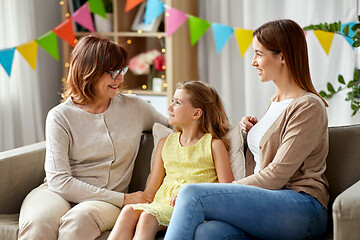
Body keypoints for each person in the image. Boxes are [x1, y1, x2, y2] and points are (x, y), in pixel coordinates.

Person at [164, 19, 329, 240]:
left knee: (192, 193)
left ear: (282, 56)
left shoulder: (308, 106)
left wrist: (225, 190)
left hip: (303, 207)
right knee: (206, 233)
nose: (253, 62)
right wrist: (250, 131)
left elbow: (277, 175)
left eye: (259, 54)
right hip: (268, 202)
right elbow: (270, 149)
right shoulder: (276, 101)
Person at [18, 35, 168, 240]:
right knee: (38, 224)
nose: (121, 79)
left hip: (105, 202)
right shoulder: (60, 116)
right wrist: (124, 198)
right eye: (114, 72)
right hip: (57, 194)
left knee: (79, 221)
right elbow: (59, 181)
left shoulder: (135, 107)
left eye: (122, 70)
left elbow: (178, 125)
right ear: (89, 72)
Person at [108, 81, 235, 240]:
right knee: (128, 212)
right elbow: (150, 192)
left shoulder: (213, 145)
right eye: (173, 101)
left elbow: (228, 193)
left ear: (196, 113)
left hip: (188, 208)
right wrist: (129, 200)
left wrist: (190, 196)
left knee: (148, 217)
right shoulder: (165, 143)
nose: (170, 107)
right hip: (159, 204)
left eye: (177, 102)